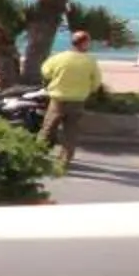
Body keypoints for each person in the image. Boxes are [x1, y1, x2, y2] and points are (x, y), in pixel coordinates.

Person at [39, 23, 104, 173]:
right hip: (77, 101)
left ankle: (38, 156)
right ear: (85, 43)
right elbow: (96, 82)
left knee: (47, 130)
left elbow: (45, 72)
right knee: (71, 133)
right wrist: (88, 90)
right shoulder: (90, 61)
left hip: (58, 100)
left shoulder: (59, 58)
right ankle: (64, 162)